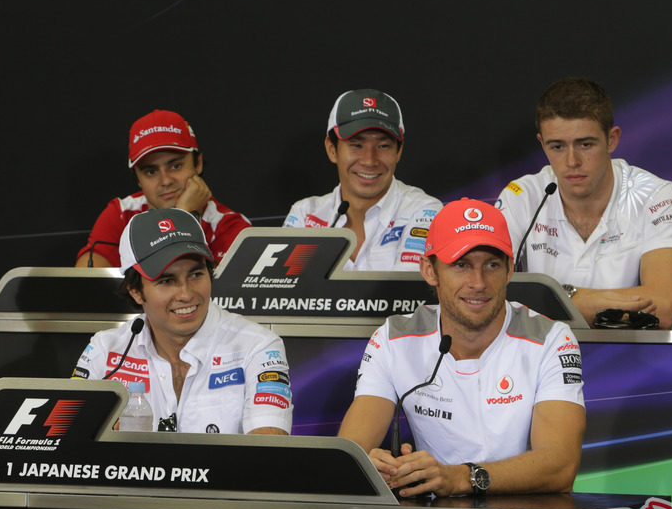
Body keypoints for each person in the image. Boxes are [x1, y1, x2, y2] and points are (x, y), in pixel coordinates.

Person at [338, 198, 585, 497]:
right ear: (430, 271)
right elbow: (351, 450)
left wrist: (461, 478)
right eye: (461, 265)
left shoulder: (551, 338)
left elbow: (560, 466)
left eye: (492, 265)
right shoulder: (393, 337)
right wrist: (372, 464)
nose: (478, 283)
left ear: (509, 271)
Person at [72, 208, 292, 435]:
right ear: (136, 291)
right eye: (167, 281)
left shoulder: (258, 346)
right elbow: (68, 444)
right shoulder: (104, 350)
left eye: (196, 275)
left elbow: (267, 453)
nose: (186, 294)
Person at [497, 78, 672, 328]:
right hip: (540, 359)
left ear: (612, 139)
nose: (572, 161)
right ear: (542, 144)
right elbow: (490, 296)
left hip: (627, 357)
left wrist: (550, 298)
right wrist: (599, 302)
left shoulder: (653, 194)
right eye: (557, 146)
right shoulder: (521, 195)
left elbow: (661, 310)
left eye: (585, 144)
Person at [283, 89, 442, 271]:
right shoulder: (305, 215)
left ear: (399, 151)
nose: (369, 160)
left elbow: (409, 294)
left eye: (383, 146)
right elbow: (286, 295)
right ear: (331, 149)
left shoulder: (424, 211)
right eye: (356, 145)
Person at [77, 109, 251, 267]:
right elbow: (88, 282)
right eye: (151, 172)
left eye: (175, 166)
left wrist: (184, 216)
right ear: (137, 178)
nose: (165, 181)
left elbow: (184, 290)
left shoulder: (231, 228)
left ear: (198, 163)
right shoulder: (121, 214)